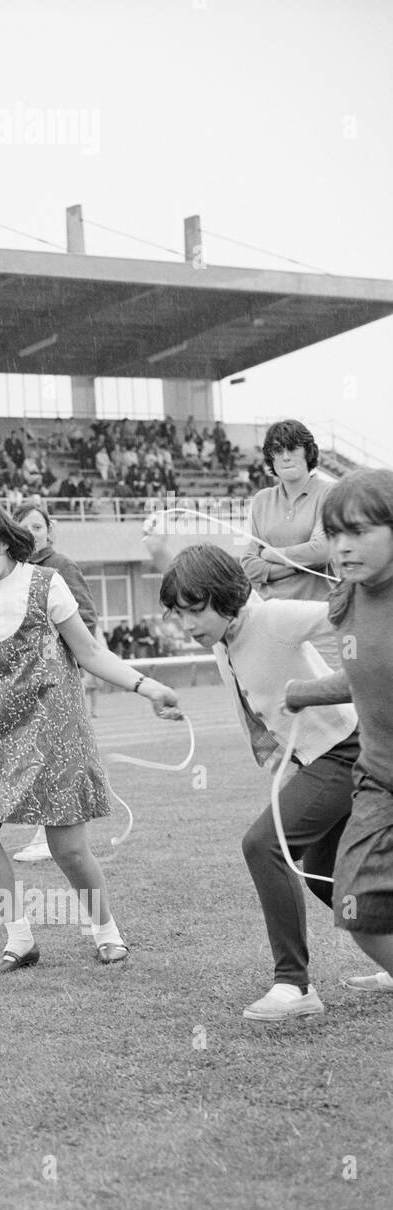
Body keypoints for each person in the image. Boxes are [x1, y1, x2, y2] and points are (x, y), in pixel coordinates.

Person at [0, 503, 181, 974]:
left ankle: (106, 932)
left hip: (52, 726)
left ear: (3, 541)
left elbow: (90, 652)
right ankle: (19, 940)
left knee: (68, 849)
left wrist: (146, 685)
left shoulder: (44, 583)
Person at [158, 545, 357, 1020]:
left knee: (263, 844)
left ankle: (294, 986)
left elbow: (350, 610)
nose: (188, 625)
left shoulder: (273, 618)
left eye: (195, 610)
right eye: (179, 613)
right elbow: (253, 702)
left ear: (226, 595)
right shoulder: (223, 640)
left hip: (346, 750)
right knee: (330, 877)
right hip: (313, 760)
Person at [285, 469, 393, 995]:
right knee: (358, 905)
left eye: (360, 532)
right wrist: (304, 691)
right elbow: (363, 673)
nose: (344, 547)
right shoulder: (346, 599)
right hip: (379, 779)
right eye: (335, 534)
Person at [9, 501, 104, 865]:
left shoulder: (60, 566)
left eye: (37, 526)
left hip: (55, 678)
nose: (31, 534)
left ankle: (48, 837)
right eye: (24, 527)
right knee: (35, 755)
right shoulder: (14, 571)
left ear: (50, 530)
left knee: (56, 757)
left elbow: (87, 618)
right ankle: (43, 832)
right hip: (23, 681)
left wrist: (66, 661)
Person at [241, 419, 335, 610]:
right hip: (270, 614)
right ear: (271, 458)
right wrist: (299, 565)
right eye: (277, 451)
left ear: (308, 453)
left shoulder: (329, 493)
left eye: (292, 449)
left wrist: (270, 554)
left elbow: (321, 552)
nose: (285, 457)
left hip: (316, 613)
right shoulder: (261, 500)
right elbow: (249, 565)